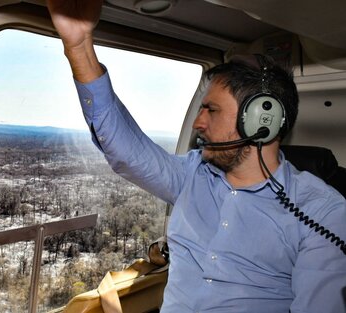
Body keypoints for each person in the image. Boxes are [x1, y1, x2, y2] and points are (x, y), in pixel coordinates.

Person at [46, 1, 346, 312]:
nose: (198, 123)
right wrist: (79, 46)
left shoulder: (321, 211)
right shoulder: (192, 174)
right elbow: (125, 150)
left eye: (211, 111)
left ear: (261, 121)